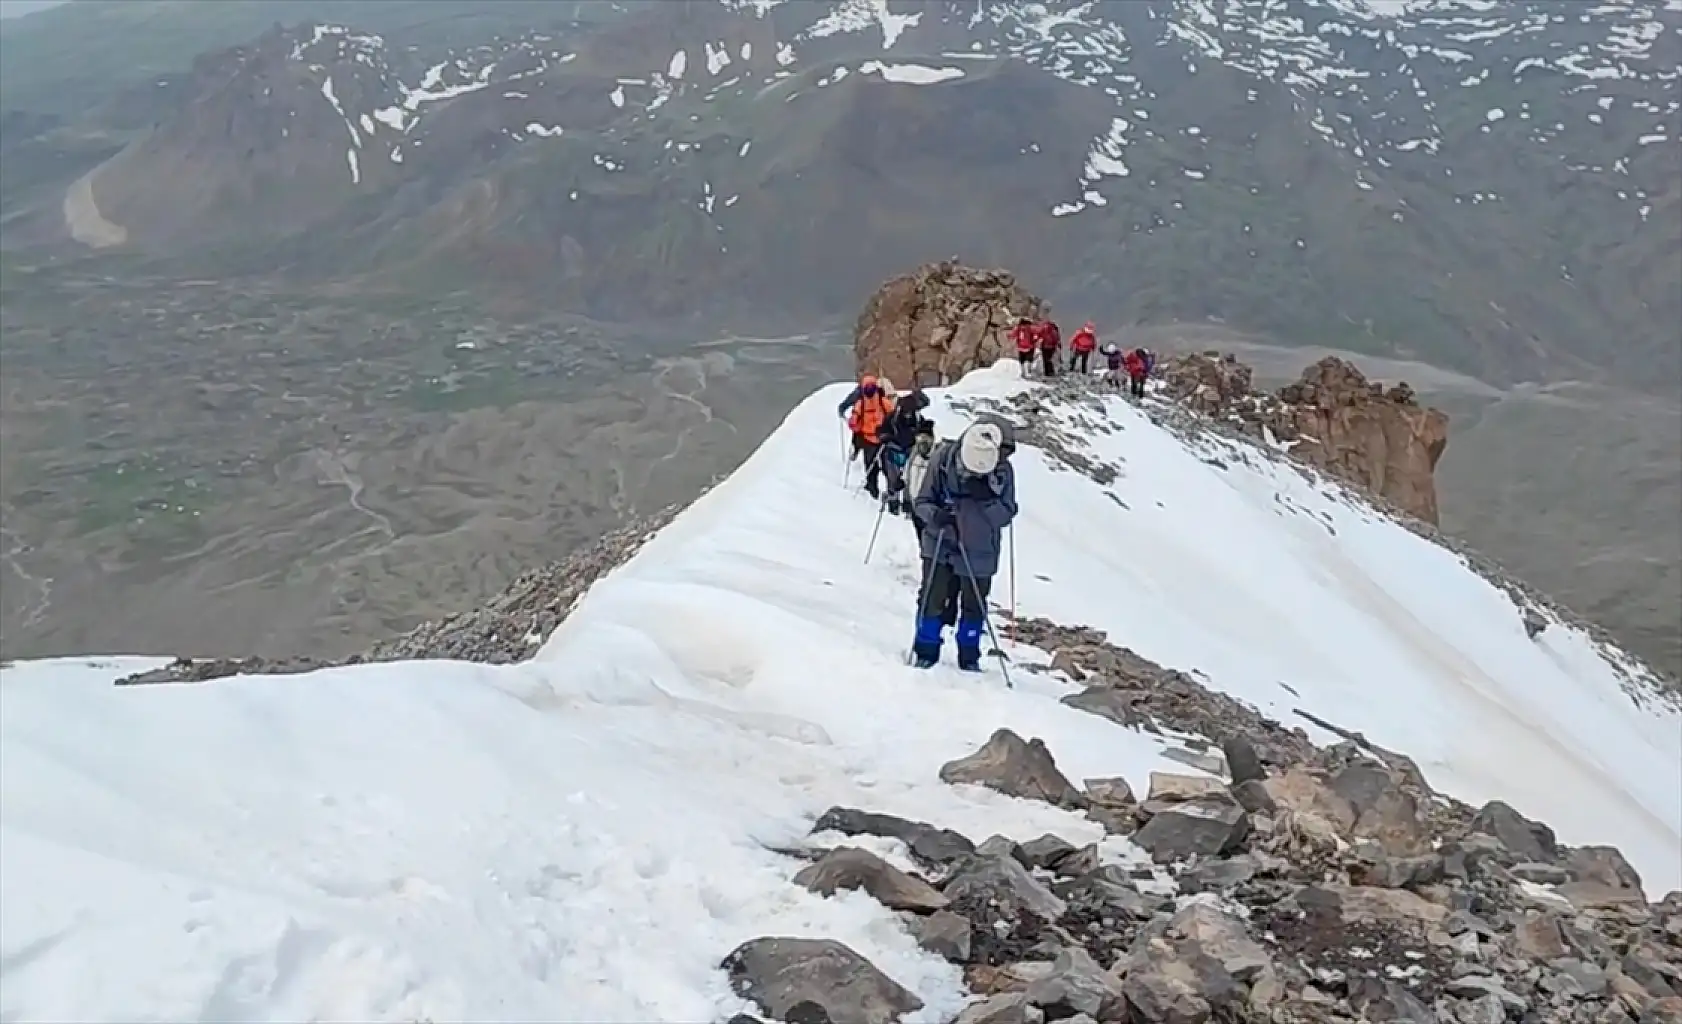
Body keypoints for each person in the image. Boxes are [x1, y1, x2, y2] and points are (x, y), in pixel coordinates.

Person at [911, 417, 1018, 671]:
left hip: (980, 550)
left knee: (974, 606)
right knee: (931, 599)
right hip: (940, 543)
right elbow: (922, 501)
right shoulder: (943, 459)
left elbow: (1006, 514)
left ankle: (969, 657)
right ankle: (926, 651)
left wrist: (987, 500)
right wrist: (936, 516)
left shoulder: (1003, 472)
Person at [837, 374, 896, 497]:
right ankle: (888, 491)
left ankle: (874, 490)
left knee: (873, 467)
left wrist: (854, 425)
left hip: (872, 441)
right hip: (881, 440)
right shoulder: (881, 401)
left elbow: (855, 422)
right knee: (884, 467)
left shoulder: (862, 403)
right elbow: (892, 415)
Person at [876, 388, 932, 516]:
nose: (908, 414)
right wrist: (885, 436)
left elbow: (923, 433)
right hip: (895, 449)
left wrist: (927, 431)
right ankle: (895, 504)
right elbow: (881, 430)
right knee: (896, 479)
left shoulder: (916, 417)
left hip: (908, 451)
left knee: (906, 479)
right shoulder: (894, 417)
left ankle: (903, 505)